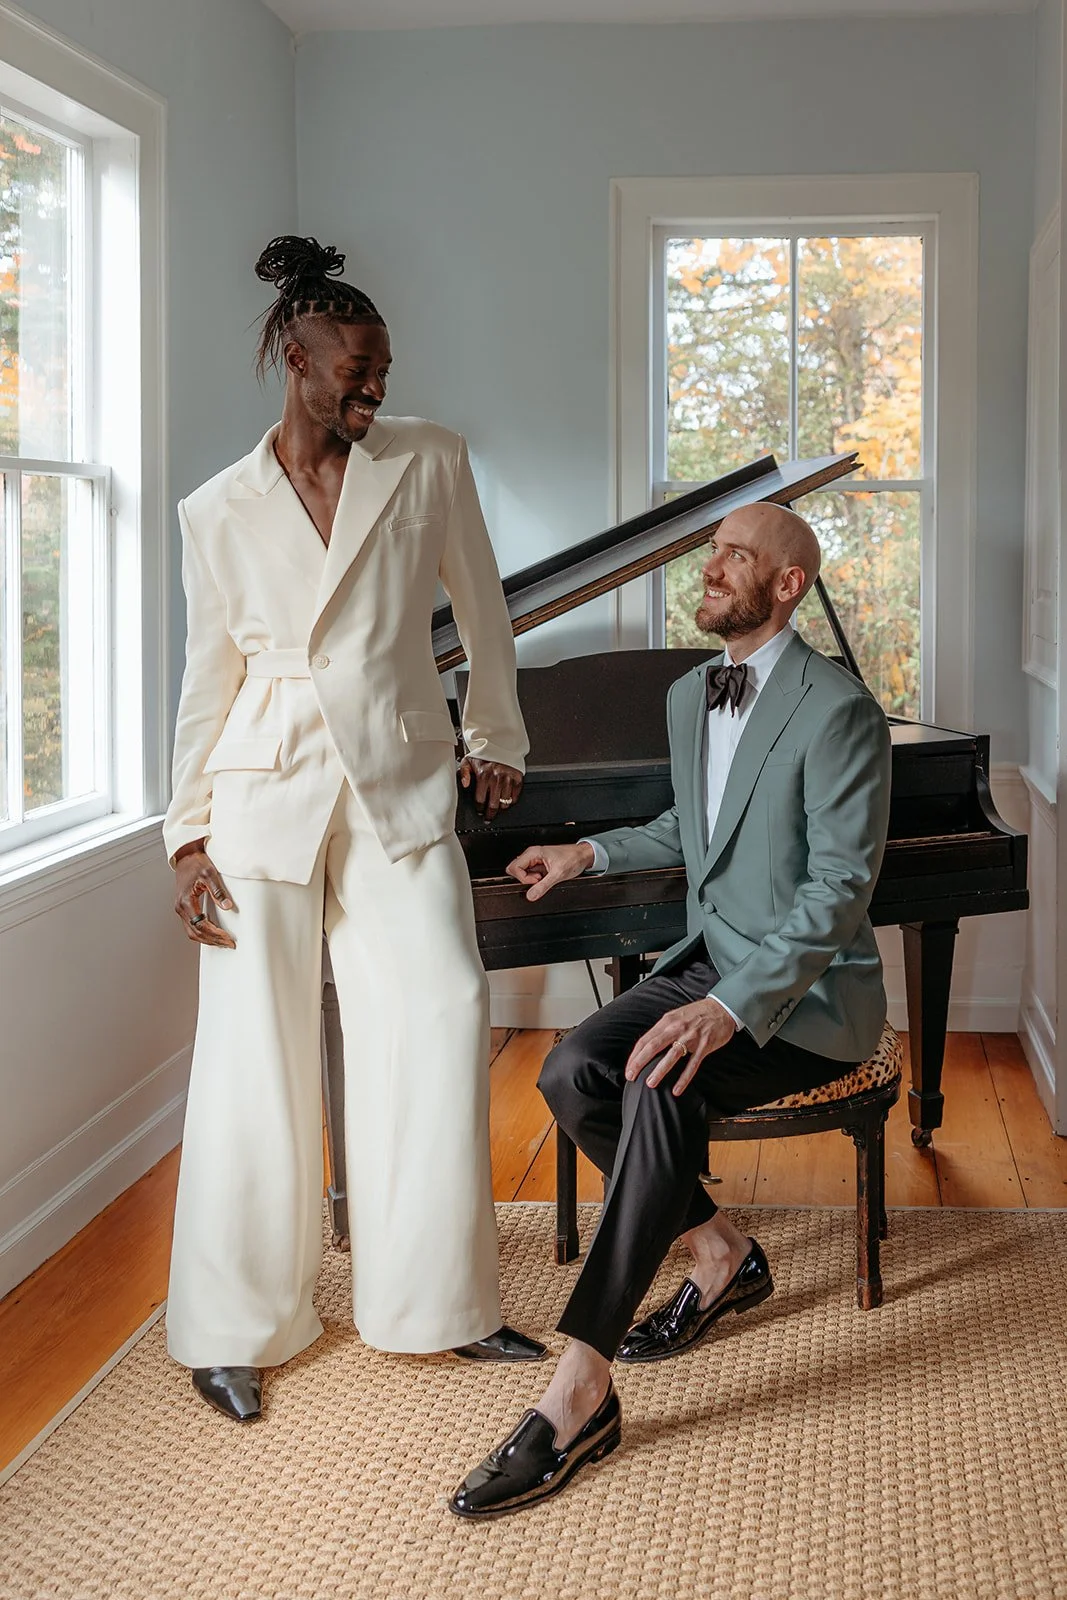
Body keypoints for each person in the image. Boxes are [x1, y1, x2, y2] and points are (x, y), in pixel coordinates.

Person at [163, 235, 545, 1424]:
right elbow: (205, 673)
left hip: (399, 778)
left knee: (434, 1012)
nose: (375, 388)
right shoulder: (214, 508)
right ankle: (235, 1325)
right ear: (296, 353)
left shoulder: (426, 461)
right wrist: (185, 833)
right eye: (356, 368)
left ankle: (439, 1304)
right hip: (260, 790)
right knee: (250, 1053)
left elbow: (482, 607)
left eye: (383, 368)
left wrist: (495, 741)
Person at [449, 500, 893, 1517]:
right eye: (712, 552)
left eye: (736, 555)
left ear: (787, 584)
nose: (711, 566)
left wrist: (731, 1009)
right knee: (569, 1070)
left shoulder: (838, 711)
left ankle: (577, 1389)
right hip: (708, 959)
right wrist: (587, 851)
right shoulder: (690, 691)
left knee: (657, 1075)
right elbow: (687, 828)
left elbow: (836, 892)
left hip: (804, 995)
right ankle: (716, 1246)